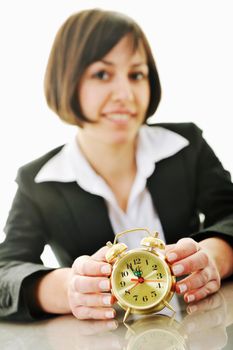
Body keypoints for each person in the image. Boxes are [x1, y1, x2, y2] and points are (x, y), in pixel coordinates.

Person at [0, 8, 232, 322]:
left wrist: (214, 257)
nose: (125, 94)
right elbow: (6, 271)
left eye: (136, 75)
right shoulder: (39, 182)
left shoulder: (185, 146)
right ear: (66, 80)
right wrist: (68, 288)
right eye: (102, 74)